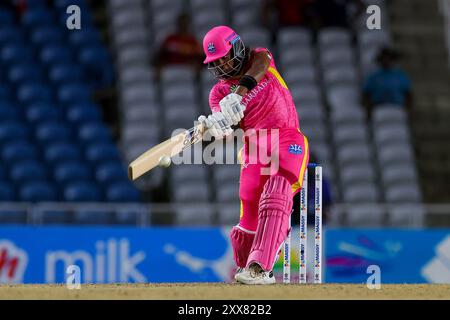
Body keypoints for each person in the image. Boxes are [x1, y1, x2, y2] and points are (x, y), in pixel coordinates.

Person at [197, 26, 310, 284]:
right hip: (254, 147)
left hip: (286, 137)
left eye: (225, 56)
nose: (223, 65)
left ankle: (261, 269)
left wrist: (240, 92)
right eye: (216, 62)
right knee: (249, 208)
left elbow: (261, 65)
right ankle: (246, 269)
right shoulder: (218, 93)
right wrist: (217, 124)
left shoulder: (259, 57)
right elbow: (227, 130)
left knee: (277, 191)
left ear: (237, 48)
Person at [362, 47, 413, 118]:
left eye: (389, 58)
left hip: (397, 106)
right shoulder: (374, 76)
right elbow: (366, 93)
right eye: (384, 59)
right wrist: (369, 109)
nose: (386, 61)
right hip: (378, 107)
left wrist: (408, 109)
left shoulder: (400, 75)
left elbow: (407, 93)